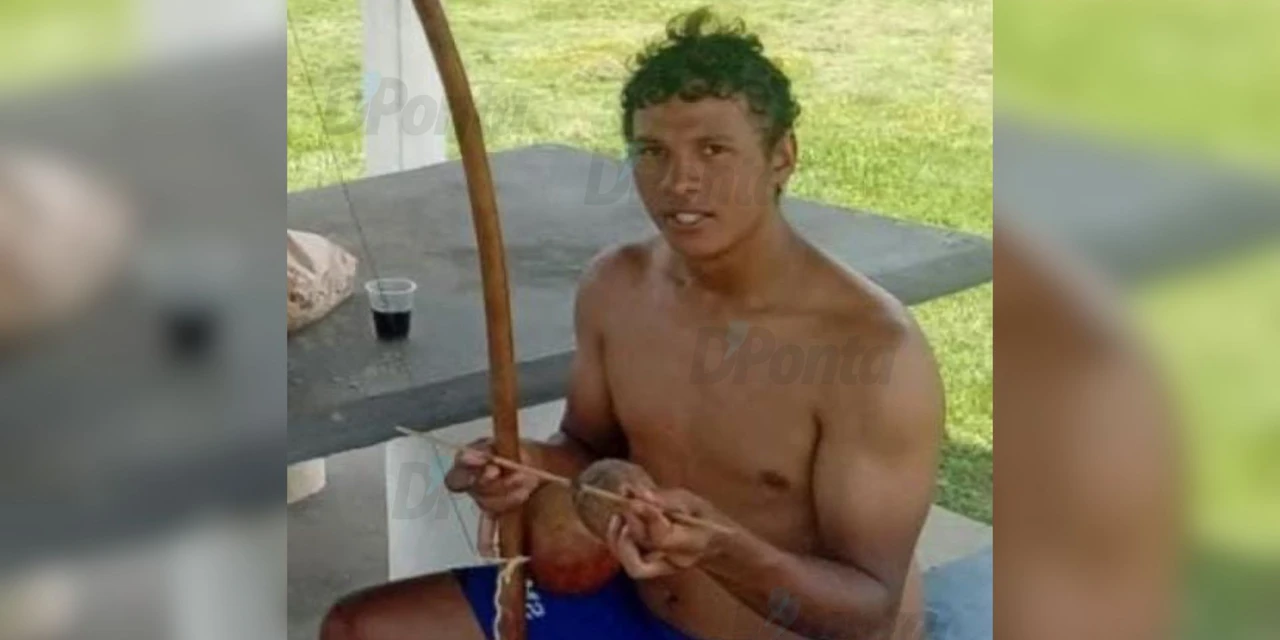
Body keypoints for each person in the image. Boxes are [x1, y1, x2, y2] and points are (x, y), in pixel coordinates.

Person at [322, 8, 946, 639]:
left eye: (713, 150)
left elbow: (868, 612)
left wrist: (721, 549)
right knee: (360, 628)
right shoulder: (616, 286)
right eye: (652, 152)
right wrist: (523, 462)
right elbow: (586, 448)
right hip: (637, 604)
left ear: (782, 156)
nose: (680, 182)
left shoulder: (872, 351)